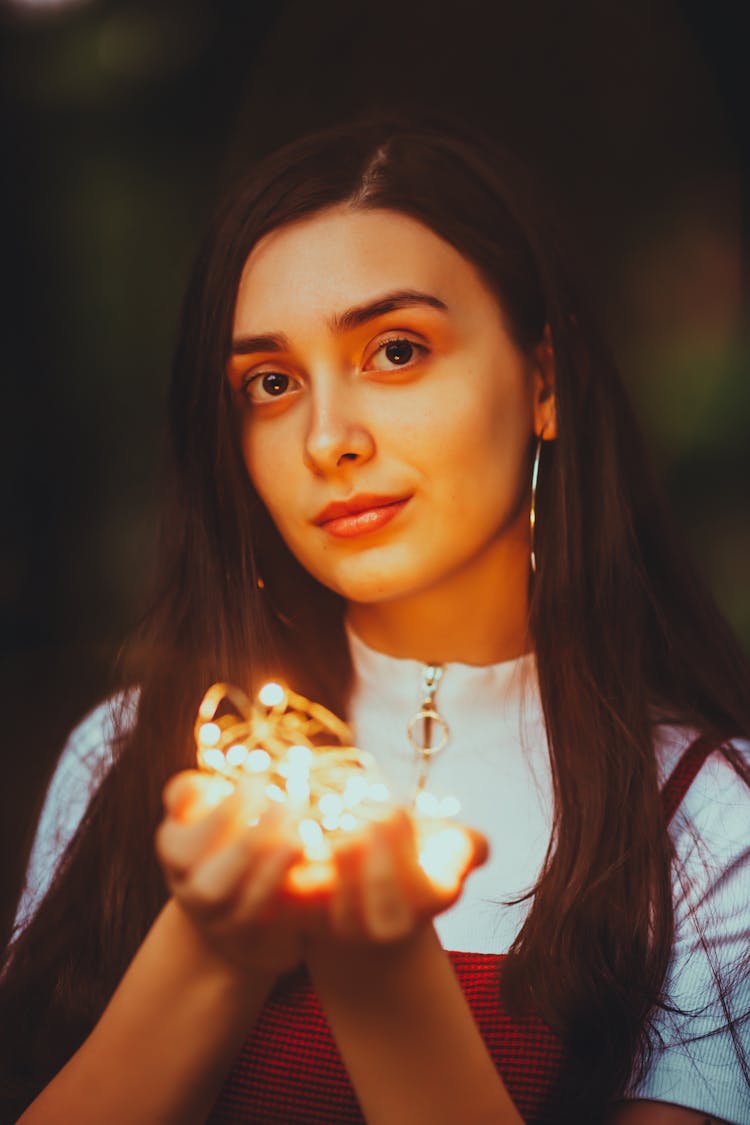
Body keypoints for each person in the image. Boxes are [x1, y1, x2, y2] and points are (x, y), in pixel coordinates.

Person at [1, 118, 749, 1125]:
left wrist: (379, 964)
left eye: (396, 351)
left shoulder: (709, 821)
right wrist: (216, 946)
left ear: (544, 381)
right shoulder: (131, 757)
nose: (328, 438)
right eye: (271, 383)